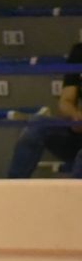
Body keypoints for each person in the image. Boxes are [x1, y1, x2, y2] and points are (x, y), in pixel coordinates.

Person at [7, 41, 82, 180]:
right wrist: (75, 116)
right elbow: (66, 101)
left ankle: (72, 198)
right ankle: (12, 188)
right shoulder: (79, 52)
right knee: (37, 125)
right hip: (78, 131)